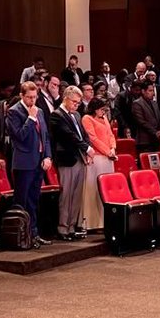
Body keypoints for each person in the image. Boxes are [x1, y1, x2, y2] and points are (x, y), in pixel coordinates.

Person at [6, 81, 53, 248]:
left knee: (34, 200)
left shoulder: (39, 111)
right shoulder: (14, 112)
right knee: (22, 201)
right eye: (29, 97)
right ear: (21, 96)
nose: (32, 101)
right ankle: (21, 236)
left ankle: (34, 233)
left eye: (34, 97)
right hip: (24, 163)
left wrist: (47, 156)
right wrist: (31, 118)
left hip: (39, 162)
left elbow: (45, 136)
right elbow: (19, 136)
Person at [49, 86, 93, 240]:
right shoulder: (56, 115)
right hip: (66, 159)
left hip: (79, 157)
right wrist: (86, 148)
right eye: (74, 102)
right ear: (65, 99)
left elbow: (83, 134)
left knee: (76, 195)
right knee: (66, 195)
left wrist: (87, 149)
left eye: (78, 103)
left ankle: (72, 227)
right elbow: (69, 136)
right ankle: (63, 228)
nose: (76, 105)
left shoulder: (77, 115)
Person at [81, 98, 116, 232]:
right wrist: (107, 152)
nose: (104, 112)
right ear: (95, 108)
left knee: (107, 191)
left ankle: (105, 221)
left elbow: (110, 134)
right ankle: (93, 223)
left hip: (108, 158)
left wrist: (113, 148)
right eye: (102, 109)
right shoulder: (87, 119)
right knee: (94, 190)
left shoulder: (104, 118)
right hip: (97, 158)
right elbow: (93, 138)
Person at [131, 82, 160, 154]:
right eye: (150, 91)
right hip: (144, 141)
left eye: (153, 90)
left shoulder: (154, 103)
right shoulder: (137, 103)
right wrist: (155, 132)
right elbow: (141, 122)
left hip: (156, 140)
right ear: (143, 91)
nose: (153, 93)